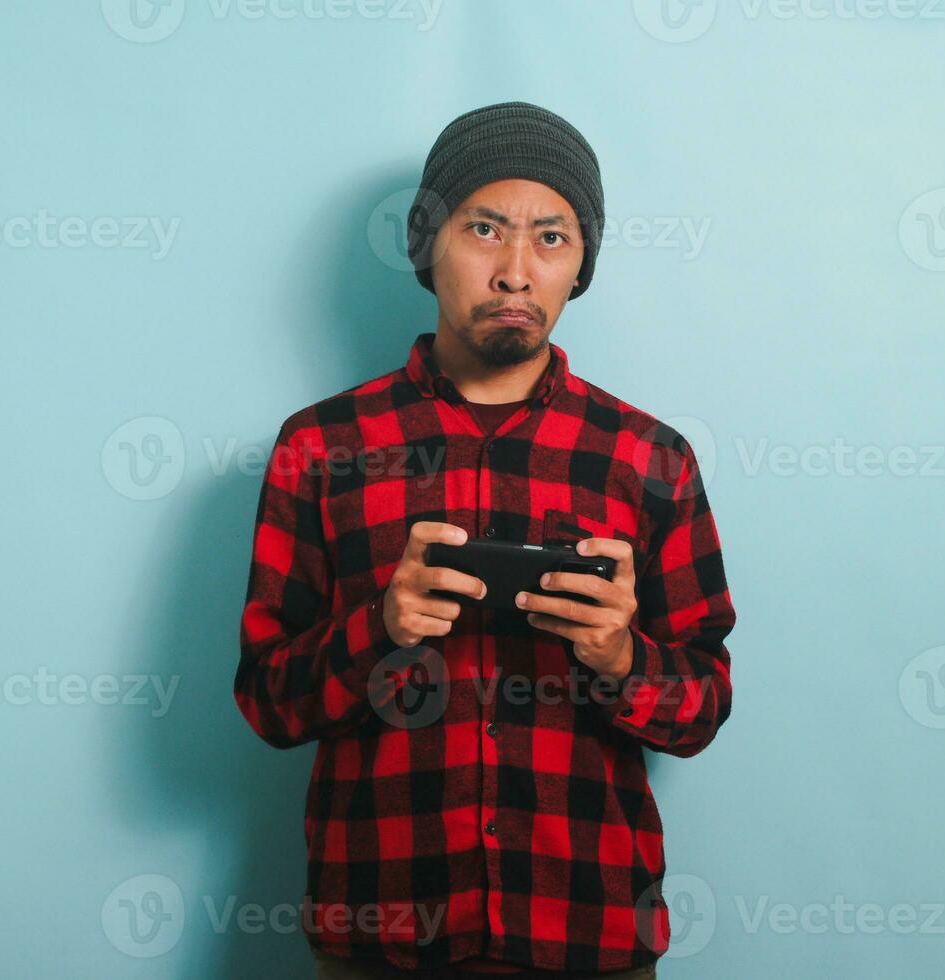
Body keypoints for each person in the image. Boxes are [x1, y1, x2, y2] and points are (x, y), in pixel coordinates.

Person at [235, 101, 737, 979]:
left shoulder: (650, 459)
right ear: (429, 245)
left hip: (587, 932)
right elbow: (267, 704)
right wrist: (379, 627)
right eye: (485, 229)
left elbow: (703, 708)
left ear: (580, 265)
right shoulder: (320, 449)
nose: (515, 271)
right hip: (381, 938)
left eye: (551, 238)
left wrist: (619, 655)